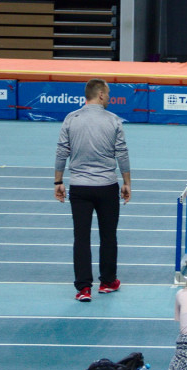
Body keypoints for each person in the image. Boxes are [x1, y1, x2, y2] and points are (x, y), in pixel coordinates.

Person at [54, 78, 131, 302]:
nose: (109, 98)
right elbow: (122, 153)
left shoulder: (71, 119)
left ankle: (83, 288)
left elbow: (61, 152)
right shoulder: (113, 120)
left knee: (81, 238)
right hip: (107, 186)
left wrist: (58, 182)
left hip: (79, 187)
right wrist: (127, 182)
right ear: (99, 95)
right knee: (108, 236)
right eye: (107, 94)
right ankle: (107, 282)